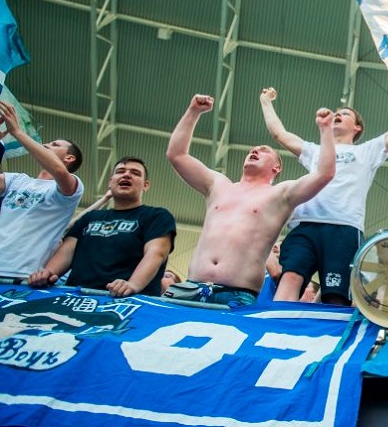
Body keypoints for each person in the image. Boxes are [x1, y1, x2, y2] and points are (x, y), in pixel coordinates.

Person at [259, 71, 388, 305]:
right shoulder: (314, 150)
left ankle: (330, 340)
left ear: (357, 127)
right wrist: (265, 102)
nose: (338, 115)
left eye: (345, 114)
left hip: (344, 228)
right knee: (290, 278)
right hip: (305, 224)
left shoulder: (368, 151)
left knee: (336, 295)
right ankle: (273, 328)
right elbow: (279, 134)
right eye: (336, 114)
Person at [166, 94, 336, 306]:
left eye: (264, 150)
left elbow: (324, 174)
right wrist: (193, 112)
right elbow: (177, 155)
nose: (254, 150)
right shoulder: (218, 184)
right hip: (192, 288)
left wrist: (326, 130)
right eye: (251, 150)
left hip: (238, 295)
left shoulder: (280, 194)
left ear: (277, 167)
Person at [28, 157, 176, 297]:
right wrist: (47, 273)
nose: (127, 175)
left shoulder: (157, 216)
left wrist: (133, 285)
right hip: (77, 300)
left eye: (135, 173)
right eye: (120, 172)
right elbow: (66, 251)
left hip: (128, 305)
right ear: (110, 182)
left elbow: (156, 253)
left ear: (145, 185)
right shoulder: (89, 218)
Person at [0, 102, 85, 281]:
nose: (46, 144)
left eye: (54, 144)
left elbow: (60, 171)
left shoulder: (71, 188)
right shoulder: (16, 180)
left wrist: (18, 132)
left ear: (69, 158)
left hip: (22, 277)